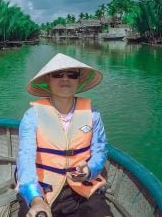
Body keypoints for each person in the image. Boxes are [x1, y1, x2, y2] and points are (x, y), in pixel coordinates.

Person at [17, 53, 113, 217]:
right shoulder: (32, 116)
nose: (65, 79)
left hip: (83, 186)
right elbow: (25, 159)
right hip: (42, 188)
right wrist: (36, 198)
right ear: (49, 80)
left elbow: (100, 150)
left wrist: (89, 170)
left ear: (78, 80)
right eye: (58, 74)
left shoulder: (92, 114)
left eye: (72, 75)